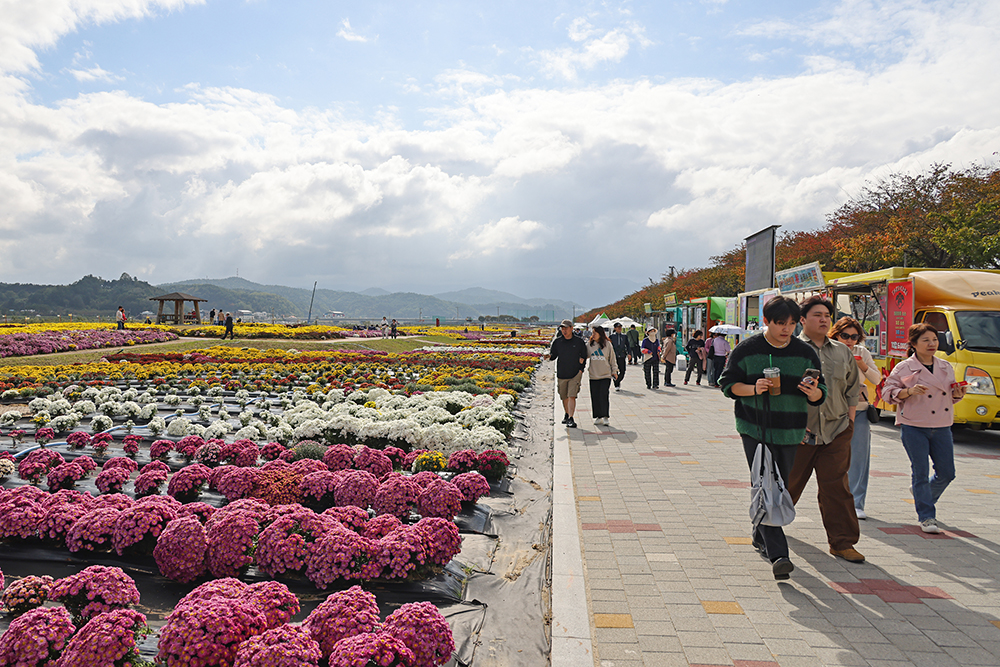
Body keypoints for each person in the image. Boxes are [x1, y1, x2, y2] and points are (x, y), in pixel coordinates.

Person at [719, 296, 825, 580]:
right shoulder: (748, 349)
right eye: (781, 323)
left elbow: (820, 394)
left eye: (792, 323)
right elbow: (727, 385)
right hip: (755, 428)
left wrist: (812, 391)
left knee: (782, 486)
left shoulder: (805, 352)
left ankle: (759, 533)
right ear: (767, 321)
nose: (787, 329)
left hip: (790, 430)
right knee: (766, 484)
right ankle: (780, 554)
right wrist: (753, 388)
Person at [786, 296, 864, 564]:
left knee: (837, 488)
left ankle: (842, 543)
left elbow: (852, 388)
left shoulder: (842, 351)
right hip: (798, 432)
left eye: (827, 316)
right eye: (817, 315)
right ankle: (767, 528)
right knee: (787, 485)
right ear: (802, 320)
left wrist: (850, 422)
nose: (823, 319)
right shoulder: (790, 349)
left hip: (836, 429)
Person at [882, 323, 967, 534]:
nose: (932, 344)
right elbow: (887, 392)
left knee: (947, 472)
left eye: (935, 340)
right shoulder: (904, 367)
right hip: (914, 425)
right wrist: (908, 391)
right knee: (920, 472)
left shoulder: (946, 366)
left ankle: (923, 493)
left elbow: (949, 396)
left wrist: (958, 393)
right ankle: (927, 516)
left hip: (942, 425)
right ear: (913, 343)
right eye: (926, 340)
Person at [830, 317, 882, 520]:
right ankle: (834, 500)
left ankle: (857, 503)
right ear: (836, 335)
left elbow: (877, 379)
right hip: (833, 410)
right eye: (845, 336)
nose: (850, 341)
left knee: (859, 457)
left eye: (854, 337)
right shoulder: (829, 350)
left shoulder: (862, 353)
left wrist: (863, 367)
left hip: (859, 410)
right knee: (833, 458)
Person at [550, 319, 588, 429]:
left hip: (575, 373)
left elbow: (584, 356)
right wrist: (548, 357)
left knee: (572, 395)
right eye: (562, 328)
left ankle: (571, 418)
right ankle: (567, 413)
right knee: (563, 396)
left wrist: (581, 370)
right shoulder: (558, 342)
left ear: (572, 328)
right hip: (562, 372)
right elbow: (553, 355)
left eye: (566, 328)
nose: (564, 330)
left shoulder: (579, 341)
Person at [586, 326, 619, 426]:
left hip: (605, 375)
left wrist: (614, 371)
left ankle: (605, 416)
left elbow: (612, 359)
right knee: (595, 396)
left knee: (603, 395)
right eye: (593, 333)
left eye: (595, 333)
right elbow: (584, 355)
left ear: (600, 333)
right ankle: (598, 416)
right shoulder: (590, 344)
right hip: (593, 375)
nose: (593, 335)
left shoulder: (607, 344)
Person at [609, 323, 629, 392]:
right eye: (618, 327)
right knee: (615, 371)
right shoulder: (612, 336)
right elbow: (609, 346)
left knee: (622, 371)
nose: (619, 328)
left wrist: (629, 354)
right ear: (615, 328)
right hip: (614, 356)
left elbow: (627, 345)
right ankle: (616, 385)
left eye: (620, 327)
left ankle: (617, 380)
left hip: (622, 355)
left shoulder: (624, 336)